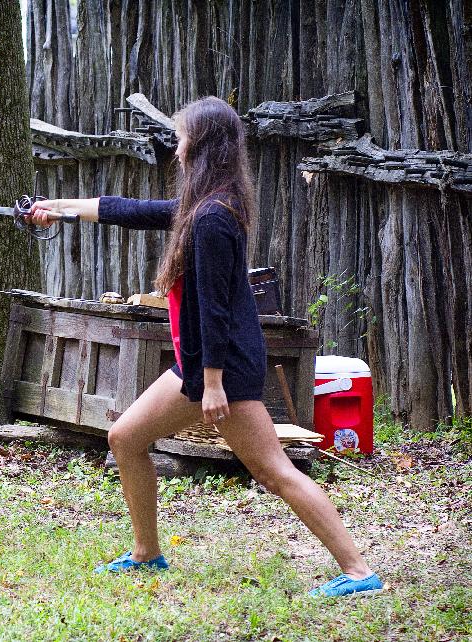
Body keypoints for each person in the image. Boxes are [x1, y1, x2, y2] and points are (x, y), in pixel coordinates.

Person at [29, 96, 382, 597]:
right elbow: (129, 211)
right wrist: (57, 209)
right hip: (199, 366)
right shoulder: (202, 208)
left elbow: (215, 310)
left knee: (273, 471)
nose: (176, 149)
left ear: (203, 146)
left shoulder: (213, 218)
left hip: (224, 369)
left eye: (181, 138)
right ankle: (147, 553)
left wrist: (214, 384)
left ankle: (357, 571)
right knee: (126, 439)